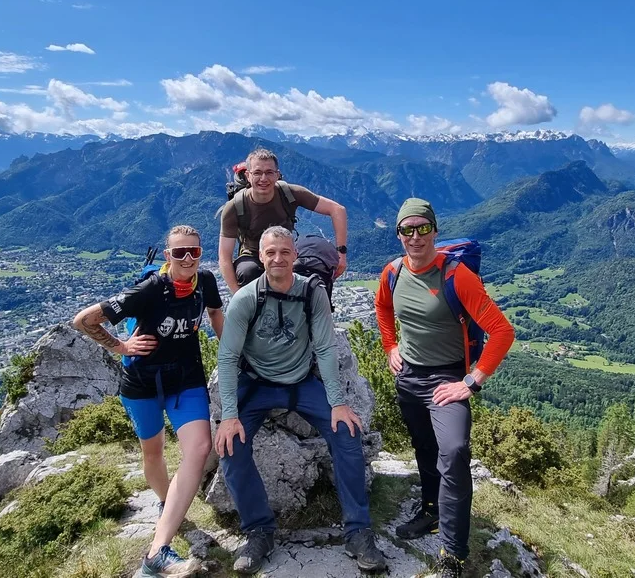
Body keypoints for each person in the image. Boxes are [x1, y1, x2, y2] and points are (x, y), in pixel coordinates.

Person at [214, 226, 387, 574]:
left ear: (294, 256)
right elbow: (228, 358)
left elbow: (324, 347)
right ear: (260, 257)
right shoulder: (246, 299)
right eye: (270, 252)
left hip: (301, 382)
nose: (278, 258)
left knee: (347, 434)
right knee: (231, 447)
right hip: (258, 384)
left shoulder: (312, 293)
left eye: (284, 252)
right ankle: (260, 531)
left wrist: (338, 402)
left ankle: (357, 531)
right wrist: (229, 415)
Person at [374, 198, 515, 578]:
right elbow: (383, 310)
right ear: (399, 233)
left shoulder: (457, 277)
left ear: (435, 231)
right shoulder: (391, 273)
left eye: (422, 228)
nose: (415, 236)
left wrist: (471, 382)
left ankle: (453, 553)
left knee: (453, 452)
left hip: (447, 379)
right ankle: (431, 512)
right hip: (410, 378)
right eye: (407, 229)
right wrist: (391, 347)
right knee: (425, 448)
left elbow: (502, 331)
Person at [72, 225, 223, 578]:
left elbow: (215, 312)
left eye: (194, 252)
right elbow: (83, 320)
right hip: (141, 383)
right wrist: (121, 347)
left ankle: (157, 552)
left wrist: (227, 343)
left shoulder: (206, 282)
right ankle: (169, 507)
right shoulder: (150, 288)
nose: (188, 258)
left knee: (199, 449)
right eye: (179, 252)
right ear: (167, 256)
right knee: (152, 452)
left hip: (186, 378)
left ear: (201, 254)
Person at [218, 148, 349, 294]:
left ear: (277, 175)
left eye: (269, 172)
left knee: (308, 269)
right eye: (257, 173)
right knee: (248, 272)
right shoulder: (235, 207)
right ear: (248, 175)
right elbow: (224, 256)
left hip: (286, 250)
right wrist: (237, 294)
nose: (263, 178)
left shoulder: (289, 193)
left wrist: (341, 254)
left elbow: (337, 210)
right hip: (253, 254)